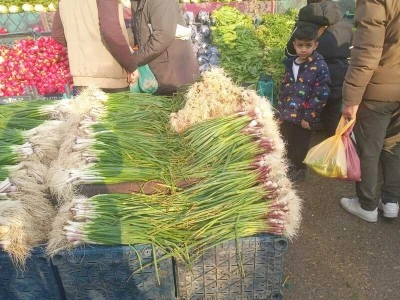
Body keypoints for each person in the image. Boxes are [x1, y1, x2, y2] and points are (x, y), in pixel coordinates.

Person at [340, 0, 400, 222]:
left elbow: (367, 51)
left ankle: (367, 205)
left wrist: (352, 98)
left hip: (379, 89)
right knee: (393, 146)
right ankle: (391, 201)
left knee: (369, 149)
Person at [286, 0, 353, 137]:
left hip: (308, 82)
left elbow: (290, 53)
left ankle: (304, 150)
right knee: (332, 122)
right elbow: (352, 55)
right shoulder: (346, 25)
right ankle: (332, 151)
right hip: (337, 81)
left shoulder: (304, 24)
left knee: (304, 121)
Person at [278, 25, 330, 182]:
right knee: (286, 142)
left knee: (300, 146)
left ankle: (299, 170)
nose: (303, 49)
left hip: (303, 117)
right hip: (288, 114)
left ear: (315, 45)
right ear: (294, 45)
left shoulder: (319, 66)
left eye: (308, 46)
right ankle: (287, 168)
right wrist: (281, 111)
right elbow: (285, 87)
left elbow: (321, 94)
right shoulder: (290, 63)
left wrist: (309, 116)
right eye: (300, 45)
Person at [52, 0, 139, 93]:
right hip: (109, 78)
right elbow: (111, 32)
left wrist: (80, 46)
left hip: (82, 79)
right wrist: (131, 66)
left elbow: (57, 33)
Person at [130, 0, 200, 95]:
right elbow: (138, 30)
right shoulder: (137, 2)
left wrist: (132, 60)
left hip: (175, 76)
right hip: (159, 72)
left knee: (178, 105)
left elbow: (162, 38)